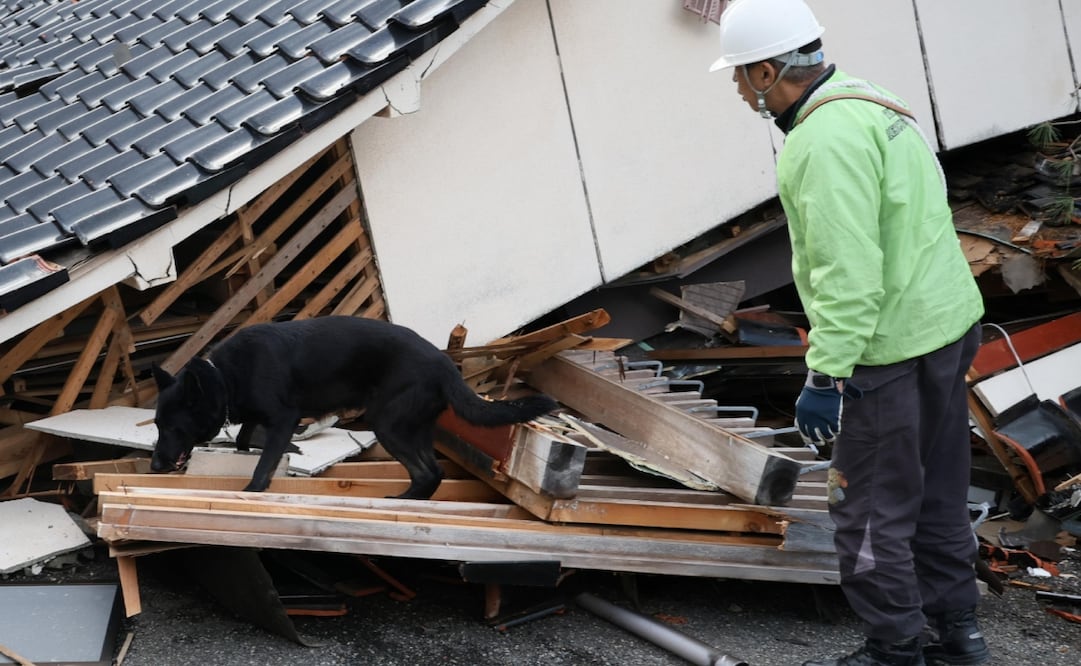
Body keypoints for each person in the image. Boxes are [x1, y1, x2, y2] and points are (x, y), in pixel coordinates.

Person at [708, 1, 989, 665]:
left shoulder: (819, 143)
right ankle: (959, 639)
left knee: (866, 513)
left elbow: (848, 276)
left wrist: (826, 375)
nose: (735, 87)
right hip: (946, 326)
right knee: (939, 494)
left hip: (887, 353)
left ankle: (894, 650)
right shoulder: (874, 101)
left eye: (738, 75)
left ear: (767, 70)